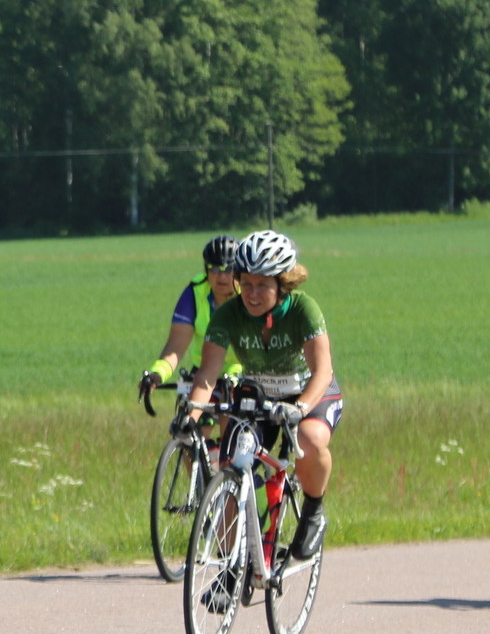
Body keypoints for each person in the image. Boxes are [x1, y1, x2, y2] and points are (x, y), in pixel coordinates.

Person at [185, 229, 339, 561]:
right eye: (246, 284)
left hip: (309, 394)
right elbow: (208, 374)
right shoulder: (229, 314)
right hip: (259, 398)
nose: (252, 294)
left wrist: (300, 408)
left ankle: (314, 511)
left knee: (310, 440)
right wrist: (190, 418)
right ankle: (230, 565)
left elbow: (323, 371)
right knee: (231, 466)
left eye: (263, 285)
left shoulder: (303, 309)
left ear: (282, 284)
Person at [138, 233, 242, 409]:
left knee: (230, 415)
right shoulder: (195, 292)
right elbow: (175, 347)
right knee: (186, 418)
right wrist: (157, 374)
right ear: (206, 269)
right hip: (203, 370)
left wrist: (236, 376)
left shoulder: (251, 293)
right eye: (215, 269)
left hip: (241, 369)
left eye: (228, 269)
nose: (222, 277)